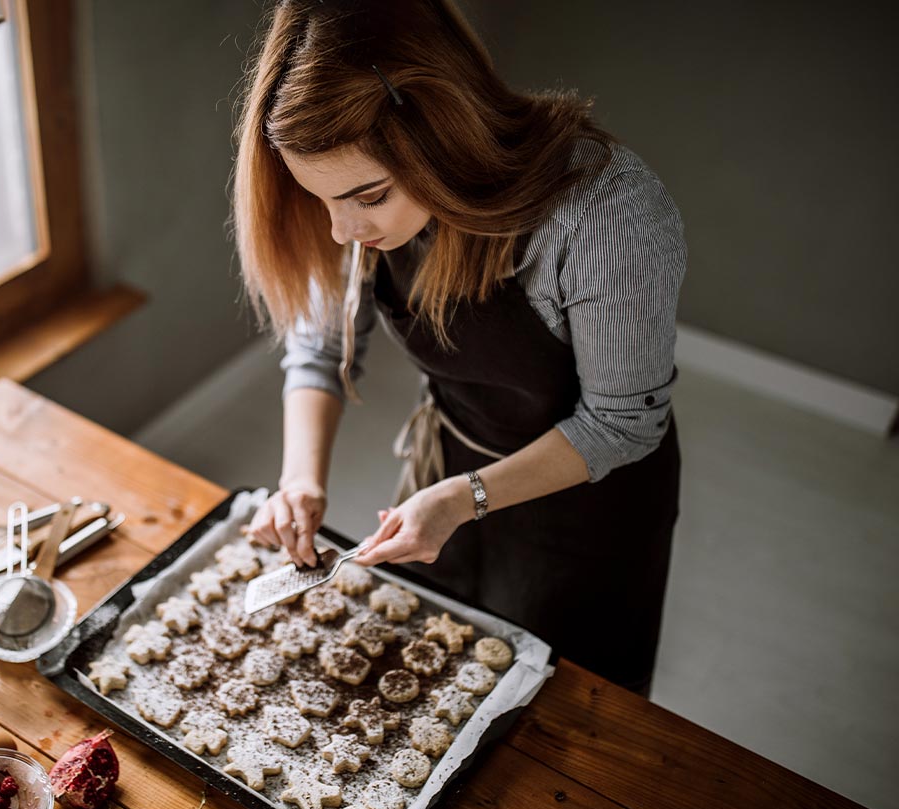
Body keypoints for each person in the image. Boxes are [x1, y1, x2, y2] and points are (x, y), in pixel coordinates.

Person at [235, 0, 684, 695]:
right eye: (321, 201)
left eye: (367, 196)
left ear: (440, 133)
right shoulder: (355, 215)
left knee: (558, 711)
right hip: (449, 463)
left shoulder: (604, 210)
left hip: (591, 500)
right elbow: (320, 350)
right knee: (435, 676)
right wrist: (301, 480)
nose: (340, 232)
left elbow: (623, 422)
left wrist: (464, 498)